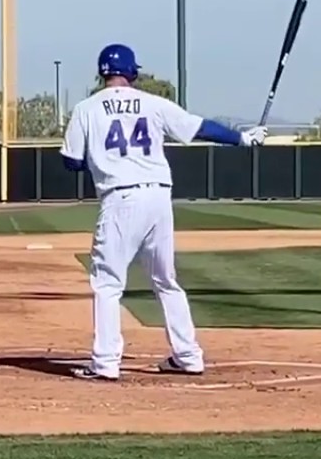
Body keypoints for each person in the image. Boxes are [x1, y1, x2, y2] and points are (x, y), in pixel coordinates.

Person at [60, 43, 268, 381]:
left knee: (108, 283)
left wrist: (100, 160)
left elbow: (70, 161)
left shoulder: (87, 108)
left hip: (120, 198)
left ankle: (106, 363)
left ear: (102, 73)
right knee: (166, 280)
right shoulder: (153, 103)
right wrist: (242, 139)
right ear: (132, 73)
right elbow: (199, 127)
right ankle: (187, 355)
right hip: (158, 198)